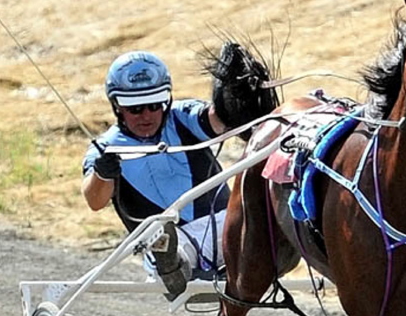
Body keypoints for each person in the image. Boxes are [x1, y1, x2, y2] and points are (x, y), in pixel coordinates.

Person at [81, 45, 276, 298]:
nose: (147, 116)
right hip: (166, 244)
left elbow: (217, 121)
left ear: (167, 99)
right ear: (117, 107)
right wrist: (103, 172)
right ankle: (175, 263)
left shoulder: (181, 116)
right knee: (165, 242)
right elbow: (94, 201)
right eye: (135, 109)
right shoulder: (105, 148)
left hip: (224, 228)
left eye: (154, 105)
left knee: (262, 213)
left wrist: (234, 92)